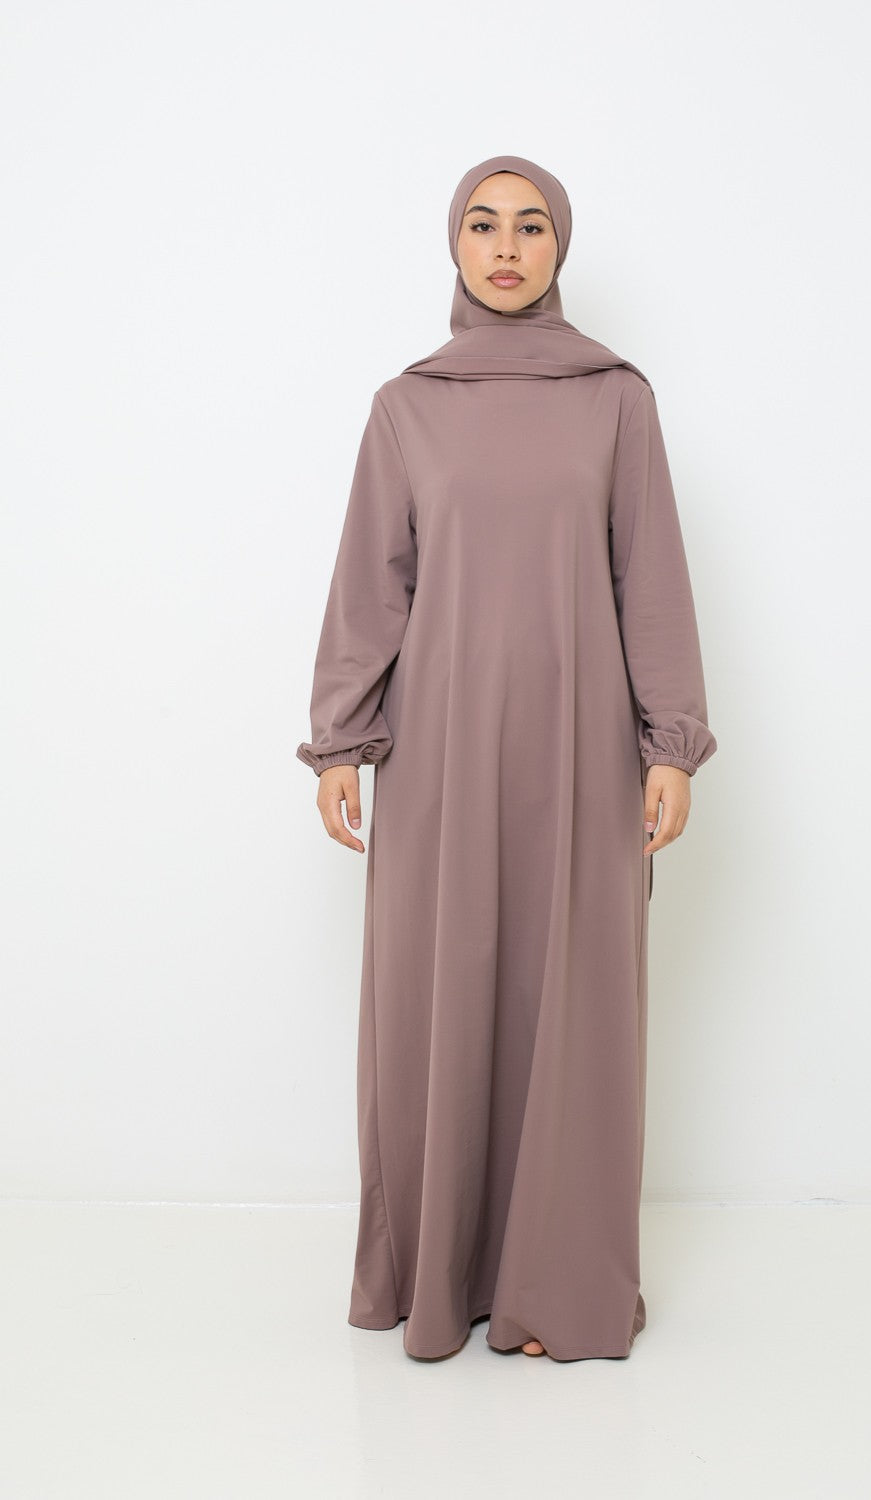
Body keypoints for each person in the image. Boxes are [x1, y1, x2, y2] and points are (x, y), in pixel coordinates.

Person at [296, 153, 718, 1363]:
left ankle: (555, 1284)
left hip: (582, 753)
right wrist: (341, 739)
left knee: (573, 1004)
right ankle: (441, 1273)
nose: (506, 248)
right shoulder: (408, 406)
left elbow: (651, 577)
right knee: (437, 1000)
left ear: (558, 248)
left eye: (531, 227)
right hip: (436, 755)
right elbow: (372, 584)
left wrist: (670, 741)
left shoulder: (616, 400)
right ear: (455, 243)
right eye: (483, 225)